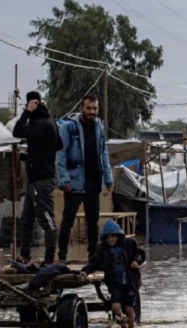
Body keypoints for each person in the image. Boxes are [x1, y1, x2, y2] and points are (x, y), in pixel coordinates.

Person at [55, 94, 113, 261]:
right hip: (75, 182)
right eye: (88, 108)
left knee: (93, 221)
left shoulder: (99, 127)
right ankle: (62, 256)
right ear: (82, 108)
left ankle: (93, 256)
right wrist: (64, 179)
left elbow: (104, 153)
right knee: (68, 221)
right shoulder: (69, 127)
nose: (92, 112)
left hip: (94, 181)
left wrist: (108, 178)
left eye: (95, 108)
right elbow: (60, 154)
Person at [12, 91, 61, 265]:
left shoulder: (41, 122)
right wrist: (33, 155)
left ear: (31, 104)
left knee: (47, 220)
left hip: (41, 180)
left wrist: (27, 112)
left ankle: (49, 260)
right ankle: (25, 255)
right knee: (27, 219)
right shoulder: (50, 121)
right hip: (35, 179)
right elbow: (58, 145)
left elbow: (17, 131)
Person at [80, 220, 146, 328]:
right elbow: (94, 263)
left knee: (130, 309)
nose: (110, 239)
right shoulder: (102, 249)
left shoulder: (129, 244)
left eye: (113, 236)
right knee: (115, 307)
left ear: (119, 235)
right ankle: (122, 320)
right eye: (108, 237)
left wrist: (137, 261)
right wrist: (85, 271)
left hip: (130, 284)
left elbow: (141, 254)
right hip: (115, 285)